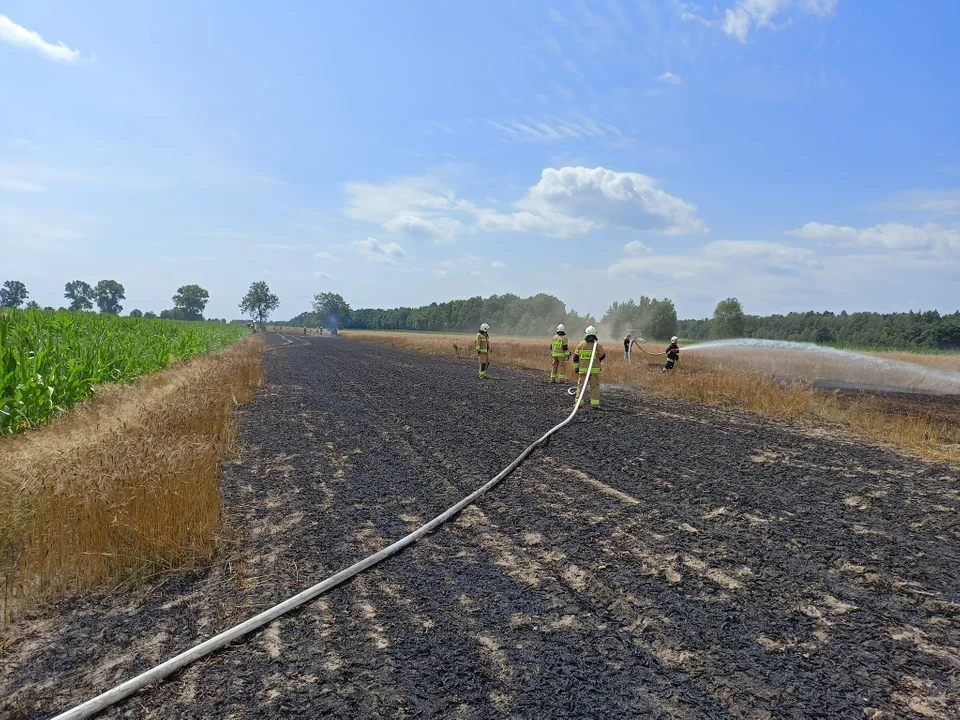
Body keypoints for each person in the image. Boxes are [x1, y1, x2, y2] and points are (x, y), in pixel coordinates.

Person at [573, 326, 605, 408]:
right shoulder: (597, 346)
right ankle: (594, 404)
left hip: (583, 371)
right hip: (594, 372)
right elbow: (602, 357)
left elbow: (575, 358)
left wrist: (576, 368)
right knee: (595, 387)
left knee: (581, 386)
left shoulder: (581, 344)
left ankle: (578, 403)